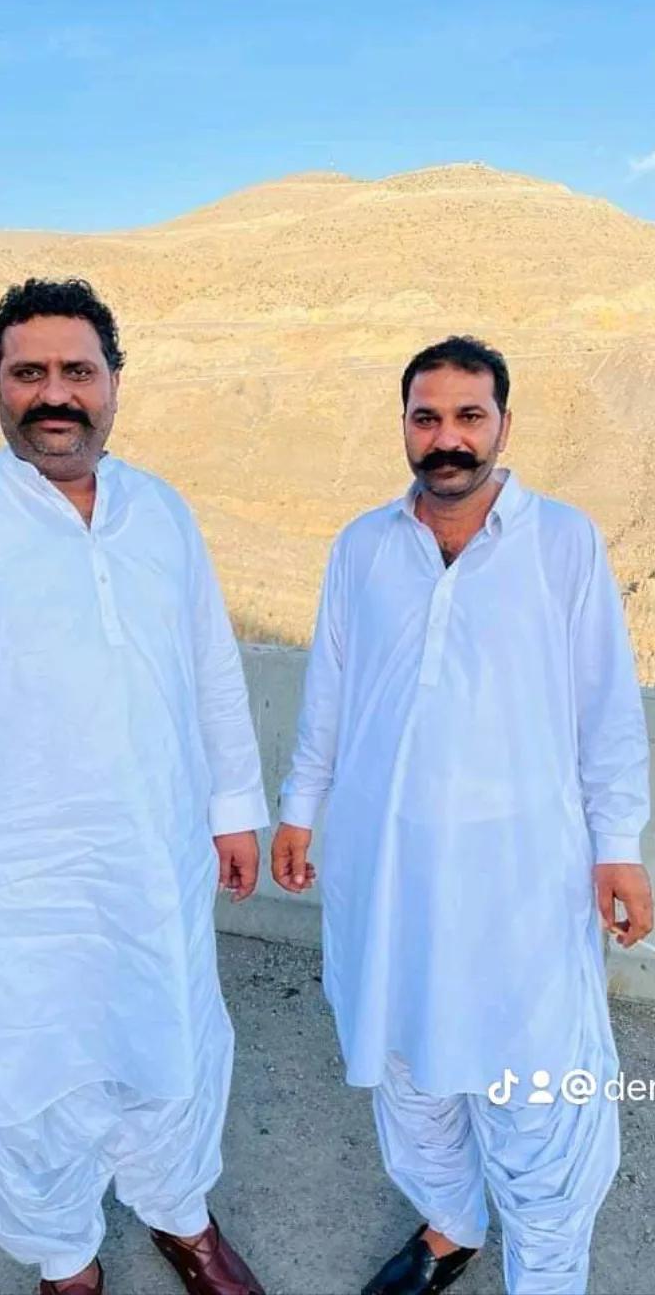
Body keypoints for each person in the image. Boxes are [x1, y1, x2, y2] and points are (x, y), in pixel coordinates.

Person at [0, 277, 268, 1295]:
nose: (55, 393)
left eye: (77, 371)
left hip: (149, 853)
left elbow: (211, 668)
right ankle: (63, 1255)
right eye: (29, 372)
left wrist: (233, 810)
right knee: (17, 1070)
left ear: (114, 382)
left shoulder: (160, 512)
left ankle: (180, 1215)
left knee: (166, 1034)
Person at [272, 335, 652, 1295]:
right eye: (427, 417)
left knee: (537, 1091)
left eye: (468, 416)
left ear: (503, 427)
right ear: (404, 426)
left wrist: (618, 847)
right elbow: (330, 693)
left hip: (523, 881)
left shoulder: (561, 542)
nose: (447, 438)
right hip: (385, 876)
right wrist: (298, 811)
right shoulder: (363, 547)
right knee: (409, 1069)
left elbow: (607, 709)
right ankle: (450, 1223)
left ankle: (547, 1272)